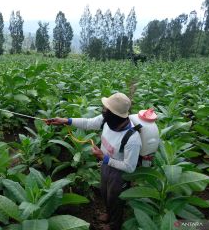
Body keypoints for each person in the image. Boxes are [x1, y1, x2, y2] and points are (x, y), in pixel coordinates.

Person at [46, 92, 141, 230]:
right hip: (106, 164)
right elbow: (88, 123)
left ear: (115, 115)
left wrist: (104, 158)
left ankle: (115, 225)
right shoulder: (107, 120)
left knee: (115, 199)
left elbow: (130, 167)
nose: (103, 110)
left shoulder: (132, 138)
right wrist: (65, 121)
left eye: (106, 109)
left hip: (120, 173)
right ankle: (108, 215)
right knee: (104, 192)